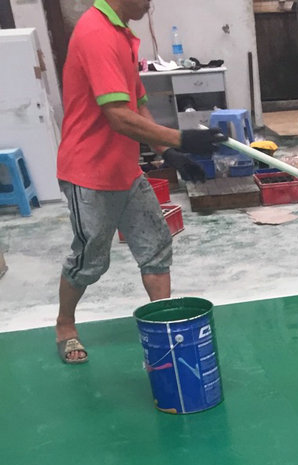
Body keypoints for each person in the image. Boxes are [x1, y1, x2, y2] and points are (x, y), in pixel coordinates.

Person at [55, 0, 227, 363]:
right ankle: (65, 325)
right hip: (89, 172)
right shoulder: (96, 34)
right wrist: (183, 138)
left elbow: (138, 104)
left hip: (126, 169)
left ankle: (163, 327)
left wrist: (169, 152)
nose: (151, 3)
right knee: (89, 260)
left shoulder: (122, 34)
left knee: (156, 246)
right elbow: (118, 116)